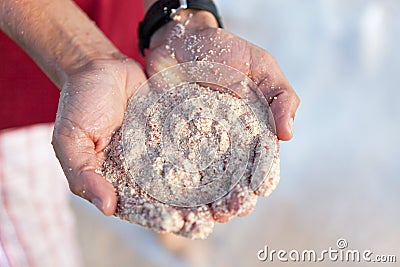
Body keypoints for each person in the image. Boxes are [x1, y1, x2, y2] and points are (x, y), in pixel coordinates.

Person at [0, 0, 299, 266]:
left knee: (149, 100)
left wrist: (178, 15)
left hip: (129, 40)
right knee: (38, 247)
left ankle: (168, 222)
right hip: (15, 88)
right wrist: (83, 59)